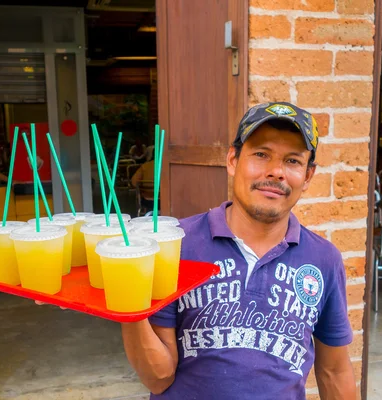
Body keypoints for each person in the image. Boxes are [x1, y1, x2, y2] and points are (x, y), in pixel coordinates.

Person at [122, 102, 357, 399]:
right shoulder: (177, 245)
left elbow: (334, 371)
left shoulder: (323, 259)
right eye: (261, 154)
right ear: (233, 160)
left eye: (293, 161)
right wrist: (126, 301)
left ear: (308, 176)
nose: (276, 172)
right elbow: (158, 377)